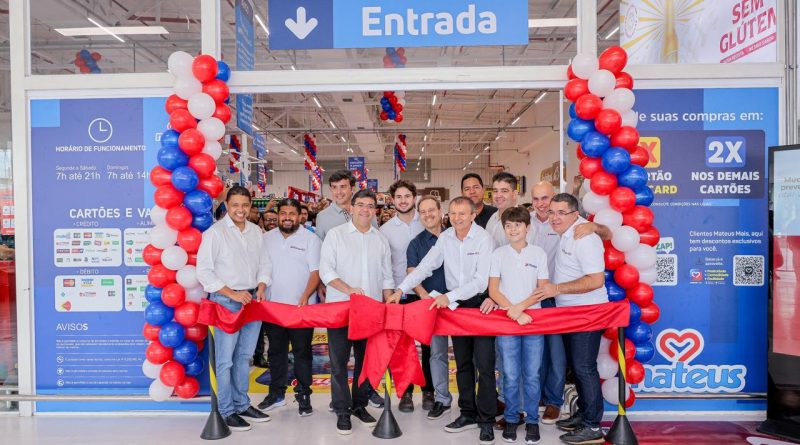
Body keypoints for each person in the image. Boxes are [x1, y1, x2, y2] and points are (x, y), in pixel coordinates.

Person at [389, 196, 497, 445]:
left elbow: (481, 281)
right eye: (454, 213)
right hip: (457, 309)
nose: (457, 218)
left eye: (463, 214)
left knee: (484, 365)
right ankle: (467, 413)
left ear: (473, 215)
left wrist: (449, 297)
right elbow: (425, 266)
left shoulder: (483, 239)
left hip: (480, 305)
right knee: (463, 364)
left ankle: (487, 420)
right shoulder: (446, 238)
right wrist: (401, 289)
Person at [529, 181, 612, 425]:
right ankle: (584, 415)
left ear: (576, 214)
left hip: (587, 312)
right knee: (577, 367)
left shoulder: (584, 237)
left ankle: (592, 425)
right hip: (569, 312)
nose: (554, 217)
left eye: (561, 213)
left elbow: (596, 280)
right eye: (552, 212)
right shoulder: (566, 232)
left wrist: (556, 289)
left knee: (584, 367)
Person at [196, 185, 272, 432]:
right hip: (226, 302)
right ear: (227, 206)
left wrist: (262, 285)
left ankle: (242, 404)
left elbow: (265, 263)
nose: (241, 209)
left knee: (244, 357)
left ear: (250, 207)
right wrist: (232, 294)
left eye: (245, 205)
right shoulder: (215, 234)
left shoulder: (256, 232)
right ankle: (227, 410)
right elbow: (204, 272)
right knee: (225, 360)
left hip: (251, 301)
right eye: (236, 205)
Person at [319, 189, 394, 435]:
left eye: (370, 206)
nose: (365, 210)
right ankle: (342, 410)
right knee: (339, 363)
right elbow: (326, 271)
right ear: (351, 208)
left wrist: (389, 304)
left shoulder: (380, 239)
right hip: (341, 309)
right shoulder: (336, 235)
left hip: (371, 312)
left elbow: (386, 276)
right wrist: (348, 289)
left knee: (365, 362)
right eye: (361, 205)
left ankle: (359, 405)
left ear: (375, 210)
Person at [488, 207, 550, 445]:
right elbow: (494, 290)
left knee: (532, 374)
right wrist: (513, 312)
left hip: (533, 321)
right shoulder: (498, 254)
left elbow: (542, 290)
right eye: (508, 226)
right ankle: (512, 418)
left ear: (528, 227)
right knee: (510, 374)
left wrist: (520, 309)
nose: (513, 229)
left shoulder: (538, 254)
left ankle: (533, 420)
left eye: (517, 225)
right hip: (507, 323)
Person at [257, 198, 321, 417]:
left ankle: (303, 395)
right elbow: (262, 268)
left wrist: (305, 295)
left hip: (301, 308)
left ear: (299, 216)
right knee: (276, 352)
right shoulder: (266, 239)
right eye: (283, 213)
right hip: (273, 307)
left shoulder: (311, 239)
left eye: (291, 214)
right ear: (278, 215)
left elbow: (315, 272)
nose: (287, 218)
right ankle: (276, 394)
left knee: (302, 353)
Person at [379, 180, 432, 413]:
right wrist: (389, 294)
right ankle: (406, 392)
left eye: (407, 196)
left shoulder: (427, 222)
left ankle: (429, 391)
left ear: (414, 198)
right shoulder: (385, 230)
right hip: (399, 295)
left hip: (427, 293)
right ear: (392, 200)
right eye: (398, 197)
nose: (403, 201)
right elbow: (385, 265)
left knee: (430, 345)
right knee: (402, 347)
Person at [406, 196, 452, 420]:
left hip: (461, 304)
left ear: (440, 211)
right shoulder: (416, 243)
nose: (428, 215)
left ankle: (471, 401)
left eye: (431, 210)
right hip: (433, 307)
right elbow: (412, 273)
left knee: (468, 356)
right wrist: (426, 298)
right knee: (437, 354)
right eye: (423, 212)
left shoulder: (455, 235)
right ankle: (441, 398)